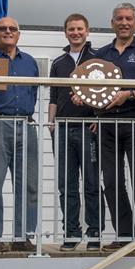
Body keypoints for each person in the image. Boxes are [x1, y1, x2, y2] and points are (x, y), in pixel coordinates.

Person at [77, 3, 135, 252]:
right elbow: (92, 90)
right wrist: (87, 102)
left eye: (128, 19)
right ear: (112, 23)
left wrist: (129, 94)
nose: (124, 23)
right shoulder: (100, 55)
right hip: (107, 125)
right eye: (119, 19)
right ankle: (124, 236)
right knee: (112, 182)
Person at [0, 17, 40, 252]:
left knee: (29, 185)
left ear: (19, 34)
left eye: (13, 28)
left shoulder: (30, 62)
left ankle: (23, 236)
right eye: (2, 29)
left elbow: (32, 93)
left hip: (26, 124)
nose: (8, 31)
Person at [48, 13, 102, 251]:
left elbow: (105, 93)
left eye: (80, 29)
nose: (76, 32)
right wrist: (51, 123)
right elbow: (53, 96)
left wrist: (99, 117)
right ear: (65, 32)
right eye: (71, 29)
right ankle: (71, 232)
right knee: (66, 184)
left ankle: (94, 233)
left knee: (91, 183)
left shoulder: (96, 59)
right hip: (62, 128)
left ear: (87, 31)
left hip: (87, 128)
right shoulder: (58, 62)